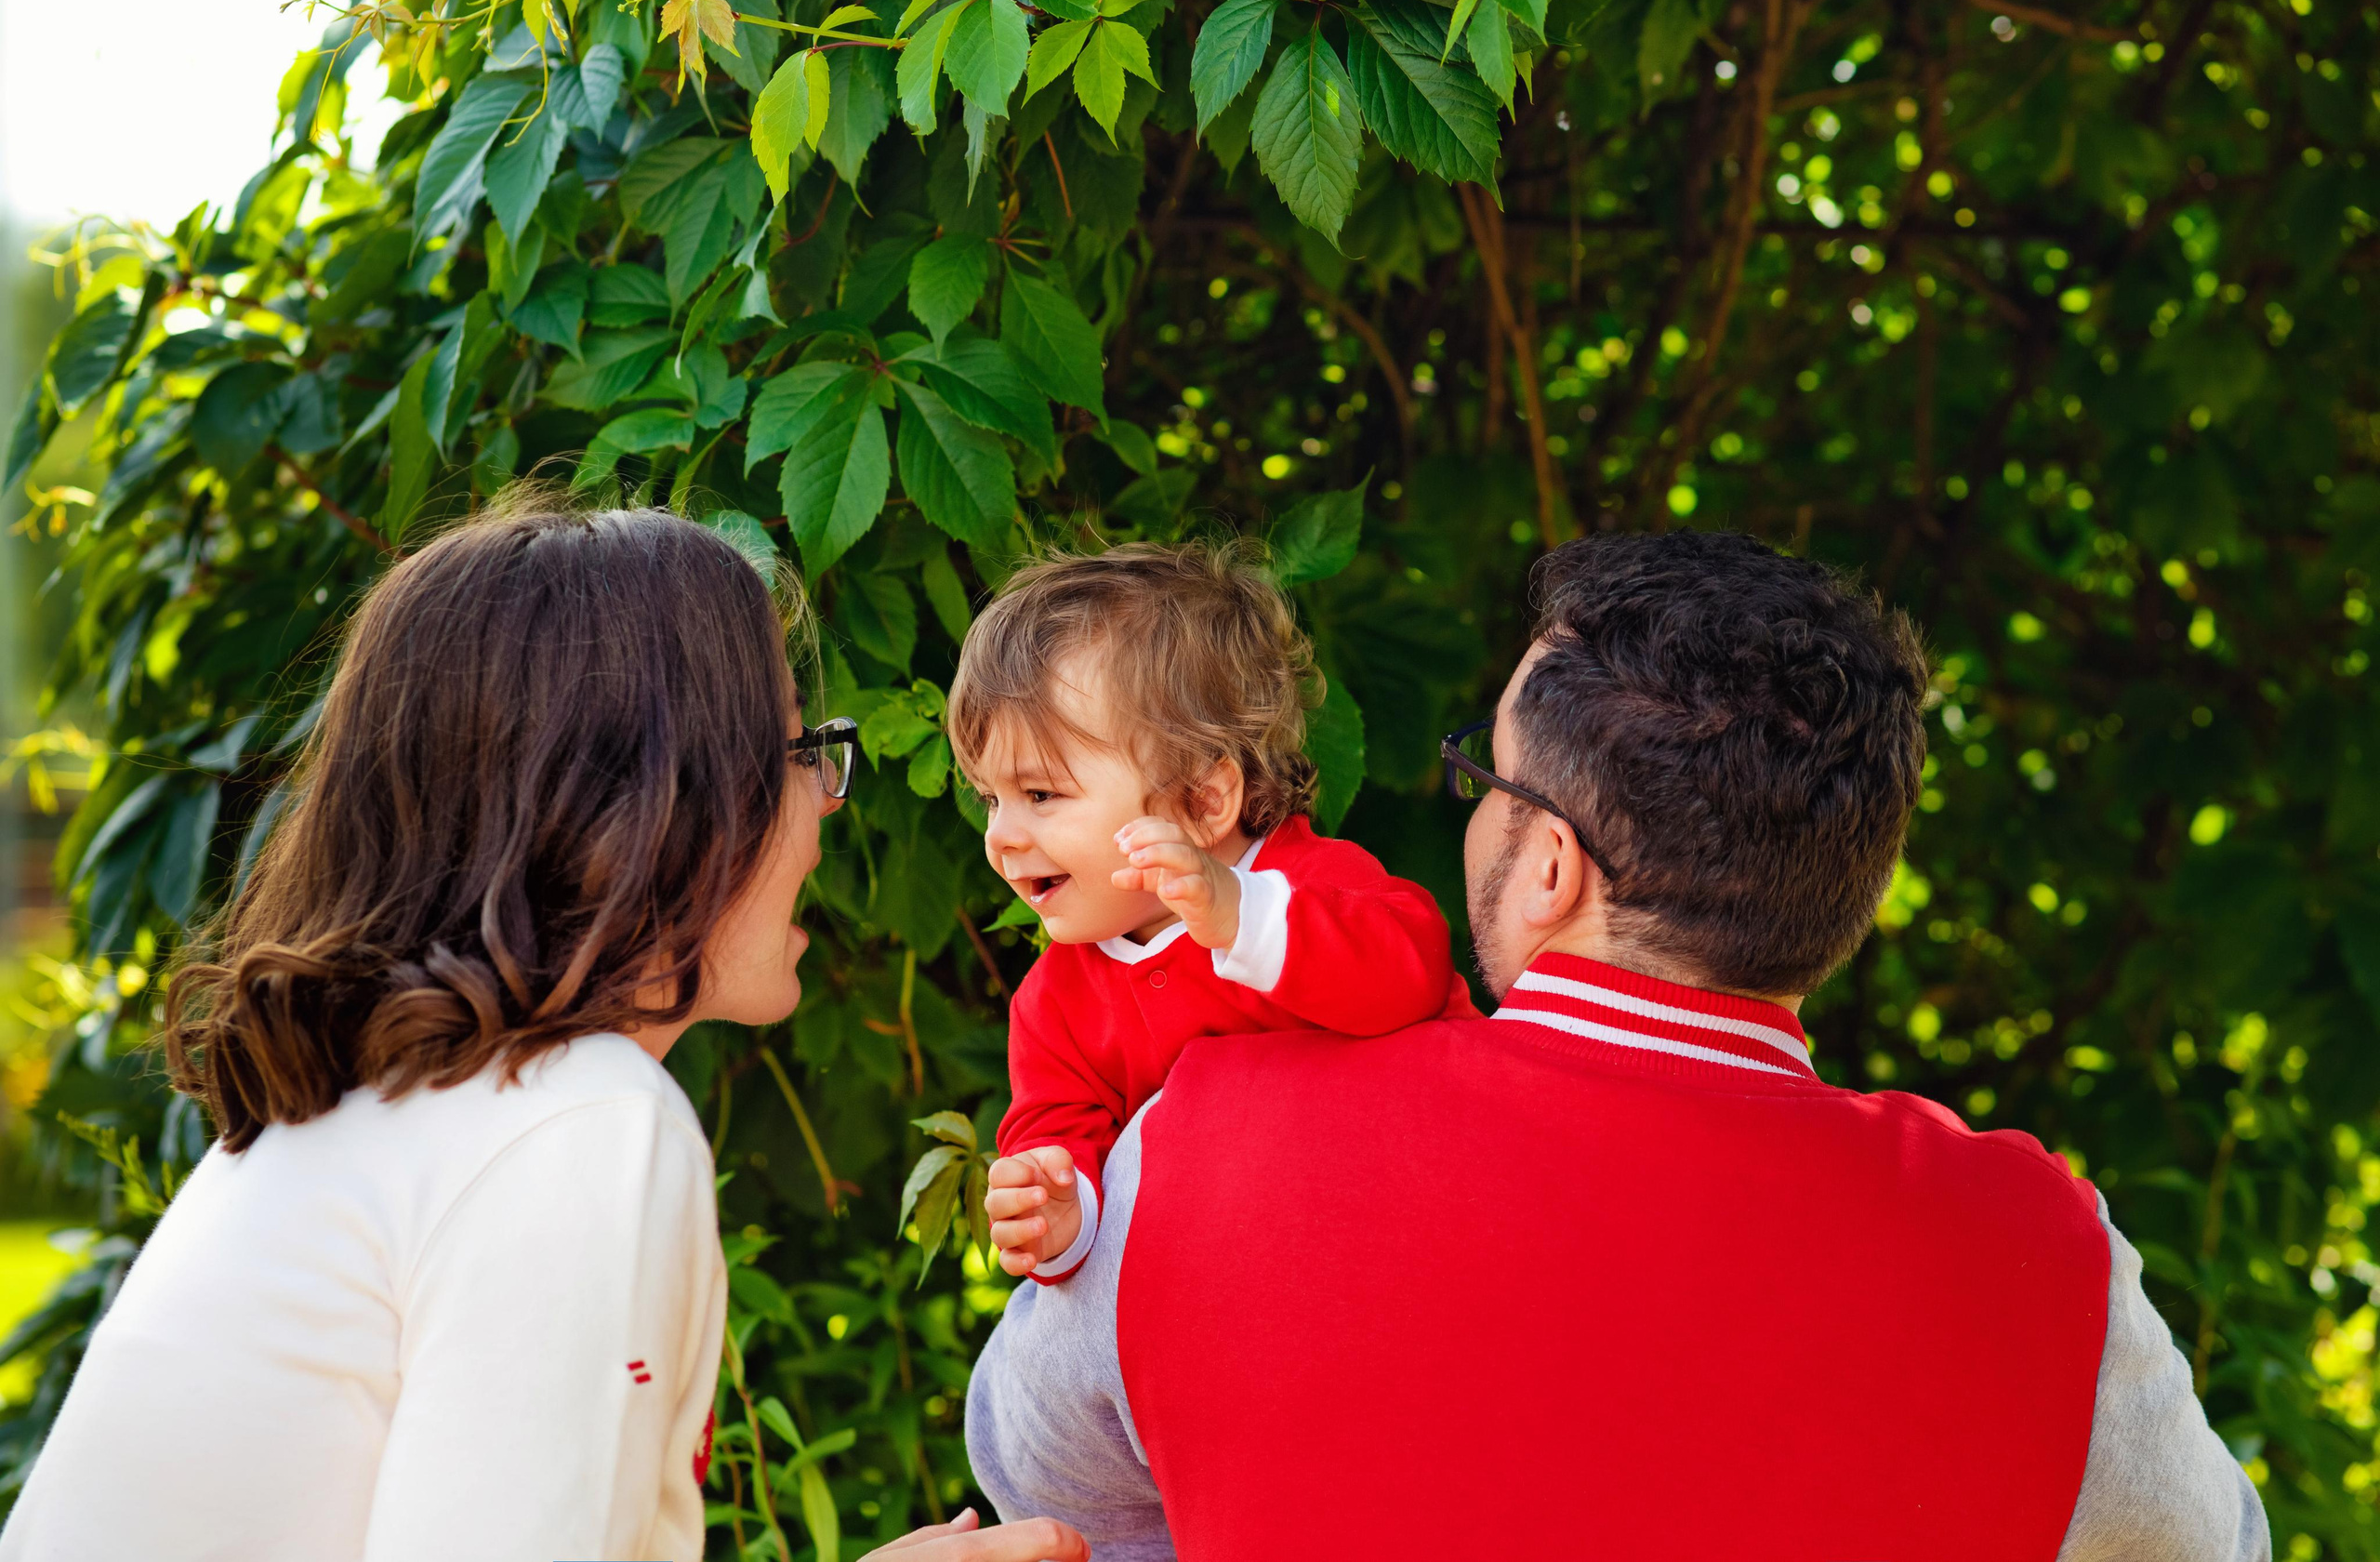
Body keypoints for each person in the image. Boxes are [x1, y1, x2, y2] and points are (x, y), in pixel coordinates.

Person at [966, 530, 2270, 1561]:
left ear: (1548, 863)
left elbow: (1040, 1486)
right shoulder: (2045, 1253)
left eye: (1485, 773)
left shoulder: (1197, 1144)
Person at [0, 500, 1084, 1562]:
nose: (827, 801)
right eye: (799, 749)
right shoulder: (580, 1126)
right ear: (665, 802)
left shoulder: (389, 1115)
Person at [944, 543, 1470, 1282]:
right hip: (1265, 1288)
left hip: (1430, 1230)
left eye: (1040, 794)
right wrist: (1060, 1214)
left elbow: (1411, 972)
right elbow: (1058, 1138)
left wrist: (1239, 918)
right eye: (988, 797)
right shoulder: (1055, 1004)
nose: (1001, 835)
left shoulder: (1304, 884)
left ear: (1203, 800)